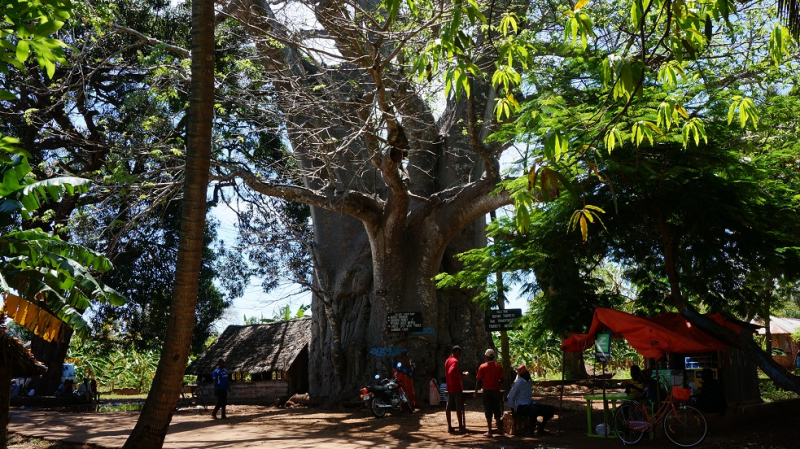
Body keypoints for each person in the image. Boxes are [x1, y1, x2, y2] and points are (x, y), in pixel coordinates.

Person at [507, 364, 555, 436]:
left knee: (550, 409)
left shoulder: (529, 381)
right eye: (526, 373)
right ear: (522, 375)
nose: (528, 374)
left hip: (529, 404)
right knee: (534, 410)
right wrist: (513, 410)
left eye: (528, 372)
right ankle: (530, 431)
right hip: (521, 406)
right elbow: (510, 396)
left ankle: (541, 429)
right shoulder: (519, 383)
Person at [475, 348, 504, 437]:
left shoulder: (482, 367)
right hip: (496, 391)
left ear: (486, 357)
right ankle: (499, 429)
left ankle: (490, 431)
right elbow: (502, 379)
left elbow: (479, 381)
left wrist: (476, 391)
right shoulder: (498, 366)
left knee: (488, 410)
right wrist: (496, 384)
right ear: (494, 357)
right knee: (496, 409)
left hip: (487, 391)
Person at [445, 345, 467, 433]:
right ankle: (460, 426)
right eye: (460, 353)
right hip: (456, 387)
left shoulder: (447, 360)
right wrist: (462, 374)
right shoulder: (454, 361)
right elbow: (451, 372)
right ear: (457, 352)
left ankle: (449, 426)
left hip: (449, 387)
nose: (460, 355)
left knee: (448, 407)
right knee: (459, 407)